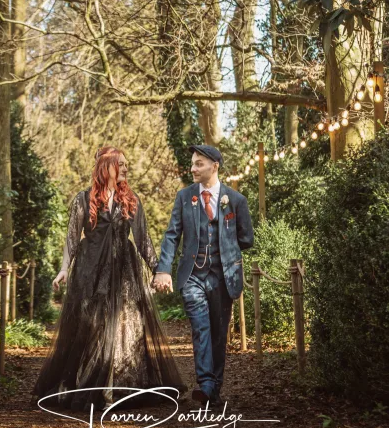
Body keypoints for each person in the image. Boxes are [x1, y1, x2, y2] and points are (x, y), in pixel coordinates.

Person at [32, 146, 186, 411]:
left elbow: (143, 240)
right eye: (121, 164)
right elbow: (71, 240)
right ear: (107, 167)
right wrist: (64, 269)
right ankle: (87, 385)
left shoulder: (132, 200)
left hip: (123, 272)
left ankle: (115, 388)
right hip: (90, 271)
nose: (126, 168)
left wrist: (159, 271)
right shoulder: (83, 200)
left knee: (124, 327)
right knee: (91, 327)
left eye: (127, 164)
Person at [152, 145, 254, 408]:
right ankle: (205, 383)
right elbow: (172, 235)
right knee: (201, 328)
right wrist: (163, 269)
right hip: (193, 276)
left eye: (199, 164)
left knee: (219, 334)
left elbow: (246, 238)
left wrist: (226, 249)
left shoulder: (236, 200)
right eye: (193, 164)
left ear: (215, 166)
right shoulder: (184, 197)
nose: (193, 169)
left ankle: (213, 389)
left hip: (224, 277)